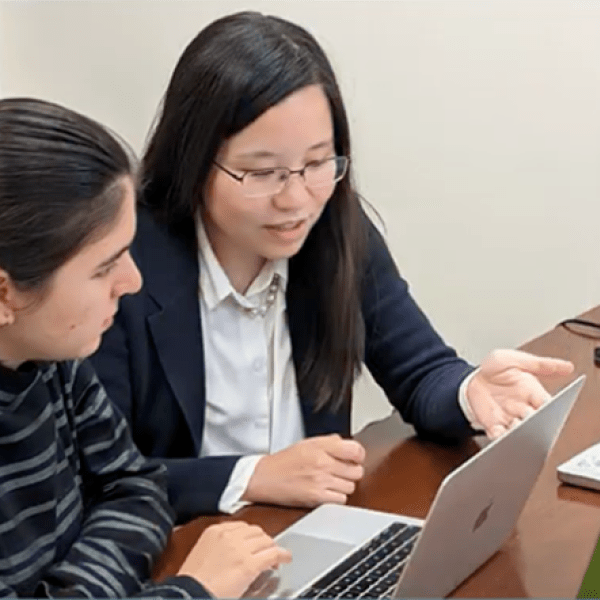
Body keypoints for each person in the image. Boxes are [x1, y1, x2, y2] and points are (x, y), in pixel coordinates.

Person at [90, 11, 574, 525]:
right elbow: (101, 475)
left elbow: (419, 370)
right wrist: (250, 475)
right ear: (192, 159)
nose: (297, 199)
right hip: (184, 553)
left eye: (319, 162)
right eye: (262, 172)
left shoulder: (335, 229)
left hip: (312, 533)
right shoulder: (122, 266)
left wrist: (470, 392)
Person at [0, 97, 290, 598]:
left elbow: (136, 487)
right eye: (103, 267)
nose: (132, 282)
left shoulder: (53, 360)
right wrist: (193, 590)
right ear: (5, 295)